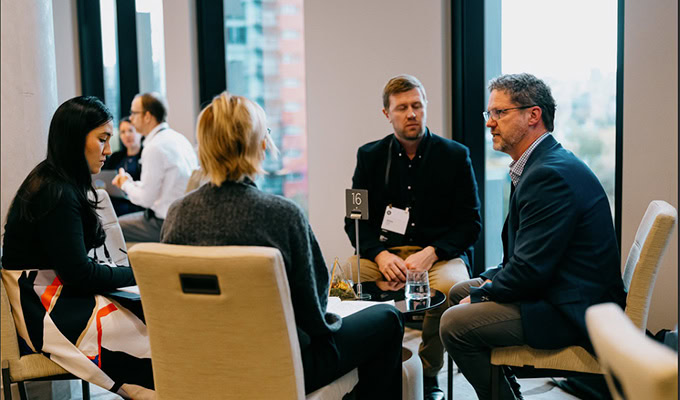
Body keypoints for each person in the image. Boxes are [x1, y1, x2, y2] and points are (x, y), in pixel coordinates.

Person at [161, 92, 405, 398]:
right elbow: (314, 311)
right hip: (282, 365)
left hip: (203, 360)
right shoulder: (281, 215)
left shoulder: (178, 214)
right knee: (388, 320)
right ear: (260, 144)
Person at [439, 73, 627, 400]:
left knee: (454, 325)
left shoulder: (548, 175)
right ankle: (508, 392)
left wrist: (485, 294)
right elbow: (525, 258)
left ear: (533, 115)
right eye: (489, 114)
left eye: (499, 113)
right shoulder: (542, 165)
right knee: (458, 291)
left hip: (571, 308)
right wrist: (485, 283)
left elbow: (530, 271)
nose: (490, 123)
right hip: (556, 288)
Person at [1, 96, 154, 399]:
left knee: (148, 307)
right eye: (102, 139)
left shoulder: (53, 180)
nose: (108, 151)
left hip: (50, 294)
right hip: (43, 306)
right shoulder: (56, 191)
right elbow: (78, 274)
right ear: (75, 139)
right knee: (152, 324)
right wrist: (138, 275)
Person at [344, 74, 481, 400]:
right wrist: (379, 255)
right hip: (384, 256)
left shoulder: (455, 155)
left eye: (417, 106)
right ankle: (366, 365)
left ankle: (430, 372)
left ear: (425, 108)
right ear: (386, 114)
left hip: (437, 256)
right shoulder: (368, 156)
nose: (411, 113)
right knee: (347, 278)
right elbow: (354, 222)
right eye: (402, 107)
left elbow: (470, 223)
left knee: (450, 288)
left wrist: (432, 253)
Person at [113, 92, 198, 243]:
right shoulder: (179, 138)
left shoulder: (154, 147)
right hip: (185, 218)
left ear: (147, 116)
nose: (131, 118)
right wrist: (131, 183)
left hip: (166, 224)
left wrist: (125, 184)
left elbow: (146, 199)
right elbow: (160, 187)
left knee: (111, 228)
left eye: (134, 113)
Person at [102, 116, 145, 216]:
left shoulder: (146, 155)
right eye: (123, 132)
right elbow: (105, 176)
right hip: (115, 198)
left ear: (140, 133)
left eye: (130, 130)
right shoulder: (115, 157)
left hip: (135, 202)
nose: (127, 135)